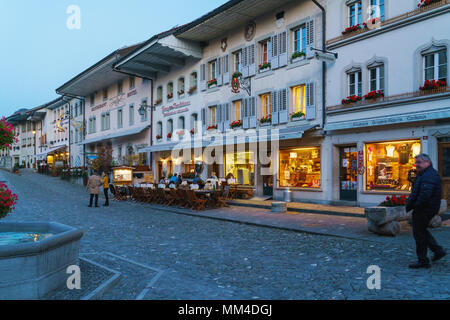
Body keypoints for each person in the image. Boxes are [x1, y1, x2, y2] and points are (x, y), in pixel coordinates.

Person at [406, 154, 446, 269]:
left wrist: (416, 206)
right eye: (416, 162)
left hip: (424, 209)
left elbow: (425, 195)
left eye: (419, 162)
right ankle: (438, 250)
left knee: (419, 234)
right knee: (421, 231)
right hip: (426, 208)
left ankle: (423, 261)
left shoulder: (429, 175)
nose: (417, 165)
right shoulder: (425, 174)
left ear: (427, 162)